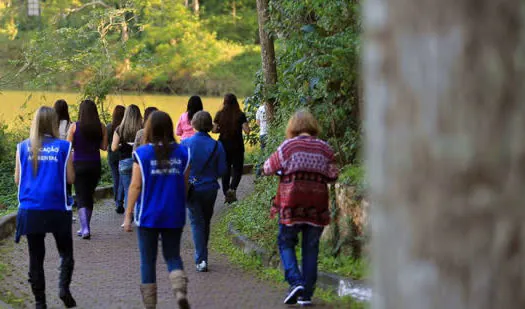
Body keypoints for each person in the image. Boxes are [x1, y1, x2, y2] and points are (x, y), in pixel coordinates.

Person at [263, 110, 338, 306]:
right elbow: (333, 175)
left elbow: (268, 167)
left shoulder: (288, 147)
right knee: (310, 248)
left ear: (293, 127)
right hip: (317, 206)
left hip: (291, 205)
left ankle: (295, 281)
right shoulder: (325, 148)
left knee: (285, 242)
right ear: (313, 126)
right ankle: (306, 295)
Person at [123, 111, 191, 309]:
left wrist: (128, 216)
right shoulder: (183, 153)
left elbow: (135, 186)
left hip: (148, 216)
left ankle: (150, 304)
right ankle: (179, 291)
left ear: (149, 129)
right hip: (174, 213)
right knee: (173, 256)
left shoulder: (142, 154)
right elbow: (184, 186)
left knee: (147, 260)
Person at [15, 106, 77, 309]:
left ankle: (40, 302)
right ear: (53, 122)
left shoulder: (23, 147)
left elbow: (17, 179)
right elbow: (70, 178)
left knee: (36, 255)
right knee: (65, 252)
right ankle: (63, 288)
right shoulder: (63, 147)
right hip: (57, 207)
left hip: (30, 208)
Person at [181, 111, 227, 272]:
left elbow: (180, 168)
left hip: (192, 188)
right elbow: (222, 170)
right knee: (205, 221)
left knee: (196, 222)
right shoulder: (217, 145)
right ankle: (202, 255)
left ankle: (201, 259)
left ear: (193, 124)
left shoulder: (185, 144)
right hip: (210, 189)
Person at [67, 99, 108, 240]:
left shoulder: (74, 127)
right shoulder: (101, 127)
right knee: (89, 194)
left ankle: (85, 228)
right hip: (95, 164)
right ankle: (85, 226)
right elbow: (104, 147)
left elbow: (67, 147)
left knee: (80, 194)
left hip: (78, 163)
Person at [212, 93, 250, 203]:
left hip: (223, 146)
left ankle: (226, 192)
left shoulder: (219, 114)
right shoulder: (240, 114)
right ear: (236, 102)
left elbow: (214, 130)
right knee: (237, 170)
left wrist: (222, 129)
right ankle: (232, 190)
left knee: (226, 170)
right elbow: (247, 131)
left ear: (224, 102)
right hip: (237, 146)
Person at [111, 104, 142, 220]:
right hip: (138, 161)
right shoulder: (142, 128)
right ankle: (138, 216)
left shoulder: (119, 129)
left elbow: (113, 148)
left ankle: (128, 218)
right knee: (139, 188)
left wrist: (121, 145)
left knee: (127, 189)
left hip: (124, 162)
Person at [54, 99, 74, 207]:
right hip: (66, 156)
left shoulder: (52, 124)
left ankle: (56, 205)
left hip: (52, 155)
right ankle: (68, 206)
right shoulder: (70, 125)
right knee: (67, 183)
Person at [107, 105, 126, 213]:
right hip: (122, 155)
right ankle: (120, 201)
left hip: (112, 155)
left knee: (116, 179)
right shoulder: (125, 127)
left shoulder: (109, 126)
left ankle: (117, 202)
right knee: (123, 180)